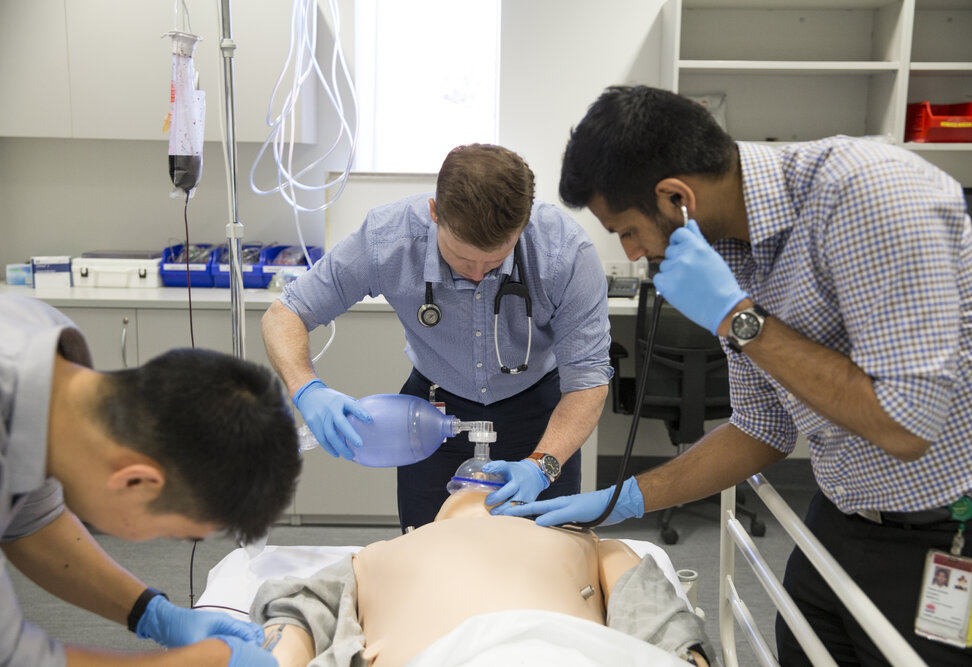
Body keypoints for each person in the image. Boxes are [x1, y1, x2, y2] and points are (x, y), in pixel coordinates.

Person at [499, 85, 972, 665]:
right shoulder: (732, 251)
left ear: (675, 197)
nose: (633, 255)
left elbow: (908, 424)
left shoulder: (867, 193)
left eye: (627, 231)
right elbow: (762, 427)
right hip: (841, 516)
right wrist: (623, 498)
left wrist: (738, 318)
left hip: (956, 534)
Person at [262, 143, 612, 530]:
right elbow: (286, 313)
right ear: (434, 213)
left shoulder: (566, 253)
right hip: (432, 415)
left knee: (549, 562)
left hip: (543, 419)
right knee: (428, 557)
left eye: (495, 260)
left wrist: (541, 466)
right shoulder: (388, 238)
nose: (478, 274)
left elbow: (588, 380)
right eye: (463, 259)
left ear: (524, 224)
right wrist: (306, 388)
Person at [1, 294, 301, 666]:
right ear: (136, 482)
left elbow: (30, 522)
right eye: (177, 534)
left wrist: (152, 613)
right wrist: (200, 662)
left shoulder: (50, 362)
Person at [249, 487, 713, 666]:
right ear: (427, 523)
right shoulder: (376, 556)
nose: (482, 486)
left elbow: (650, 609)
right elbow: (300, 613)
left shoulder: (586, 542)